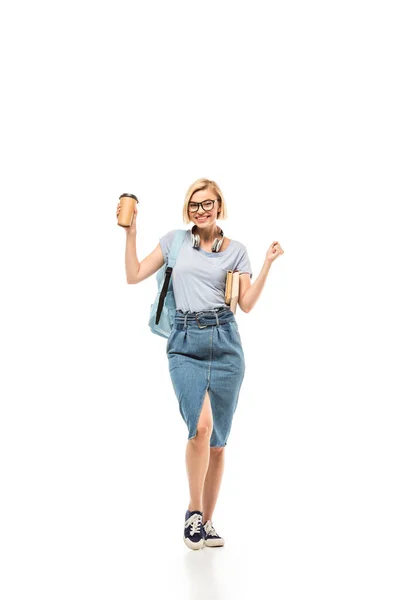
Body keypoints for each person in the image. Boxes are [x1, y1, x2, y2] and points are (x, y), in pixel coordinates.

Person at [116, 178, 284, 551]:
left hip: (226, 345)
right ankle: (193, 513)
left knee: (219, 444)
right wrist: (132, 233)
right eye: (194, 205)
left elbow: (247, 304)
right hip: (185, 343)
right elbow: (133, 275)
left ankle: (207, 523)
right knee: (201, 428)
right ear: (187, 209)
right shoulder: (175, 242)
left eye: (207, 204)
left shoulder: (237, 250)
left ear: (219, 206)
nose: (201, 210)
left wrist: (268, 264)